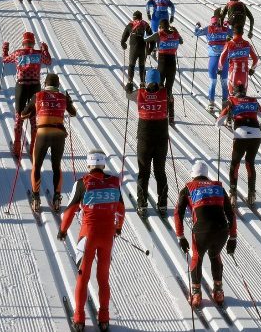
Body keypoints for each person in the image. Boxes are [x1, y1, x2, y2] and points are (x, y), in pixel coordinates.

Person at [59, 149, 124, 331]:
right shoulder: (114, 182)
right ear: (103, 165)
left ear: (88, 165)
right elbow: (121, 209)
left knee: (83, 276)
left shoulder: (83, 183)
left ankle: (79, 317)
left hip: (88, 236)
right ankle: (104, 317)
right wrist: (118, 228)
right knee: (103, 278)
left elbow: (70, 210)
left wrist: (62, 231)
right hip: (107, 236)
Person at [175, 160, 236, 308]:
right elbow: (231, 214)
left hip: (202, 230)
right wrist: (233, 237)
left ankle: (196, 293)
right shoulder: (219, 188)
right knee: (215, 255)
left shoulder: (188, 188)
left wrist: (180, 236)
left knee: (197, 257)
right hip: (222, 230)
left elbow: (178, 213)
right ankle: (218, 291)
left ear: (193, 175)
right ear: (206, 175)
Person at [21, 73, 77, 212]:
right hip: (59, 135)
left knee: (37, 166)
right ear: (58, 85)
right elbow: (73, 113)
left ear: (45, 84)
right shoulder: (63, 97)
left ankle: (35, 198)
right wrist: (68, 102)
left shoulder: (38, 95)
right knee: (56, 166)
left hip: (42, 133)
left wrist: (35, 110)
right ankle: (57, 198)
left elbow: (23, 114)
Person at [125, 69, 170, 216]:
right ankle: (162, 204)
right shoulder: (165, 93)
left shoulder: (139, 93)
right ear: (159, 81)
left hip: (144, 139)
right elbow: (166, 96)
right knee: (160, 172)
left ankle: (142, 204)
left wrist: (130, 87)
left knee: (144, 172)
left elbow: (128, 94)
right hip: (161, 139)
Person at [3, 32, 52, 159]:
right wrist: (45, 50)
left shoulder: (18, 53)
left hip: (21, 86)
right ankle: (33, 148)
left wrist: (5, 49)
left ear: (23, 42)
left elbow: (5, 60)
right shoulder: (38, 54)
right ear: (33, 42)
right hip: (35, 86)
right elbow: (48, 61)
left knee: (19, 115)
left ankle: (17, 147)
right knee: (33, 116)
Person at [146, 19, 182, 125]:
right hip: (172, 64)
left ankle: (161, 114)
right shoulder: (175, 33)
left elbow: (146, 39)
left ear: (161, 27)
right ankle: (171, 116)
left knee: (160, 88)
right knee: (169, 89)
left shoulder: (159, 34)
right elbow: (181, 41)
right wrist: (175, 32)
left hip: (162, 63)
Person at [194, 16, 233, 110]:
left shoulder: (208, 29)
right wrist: (229, 25)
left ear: (212, 23)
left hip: (213, 59)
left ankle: (211, 103)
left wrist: (197, 26)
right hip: (224, 60)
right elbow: (233, 33)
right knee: (224, 82)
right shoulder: (225, 29)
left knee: (213, 82)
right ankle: (225, 102)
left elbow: (196, 33)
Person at [219, 26, 259, 98]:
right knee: (243, 97)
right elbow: (255, 59)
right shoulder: (247, 44)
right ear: (243, 33)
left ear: (233, 33)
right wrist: (252, 69)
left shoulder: (229, 43)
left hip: (233, 73)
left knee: (231, 97)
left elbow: (222, 57)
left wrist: (220, 68)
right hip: (244, 74)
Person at [121, 10, 150, 89]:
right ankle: (142, 83)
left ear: (134, 18)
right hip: (142, 47)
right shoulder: (145, 24)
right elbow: (151, 36)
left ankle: (130, 83)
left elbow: (124, 36)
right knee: (142, 66)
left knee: (131, 65)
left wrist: (123, 44)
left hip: (134, 47)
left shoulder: (130, 24)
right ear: (141, 17)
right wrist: (150, 48)